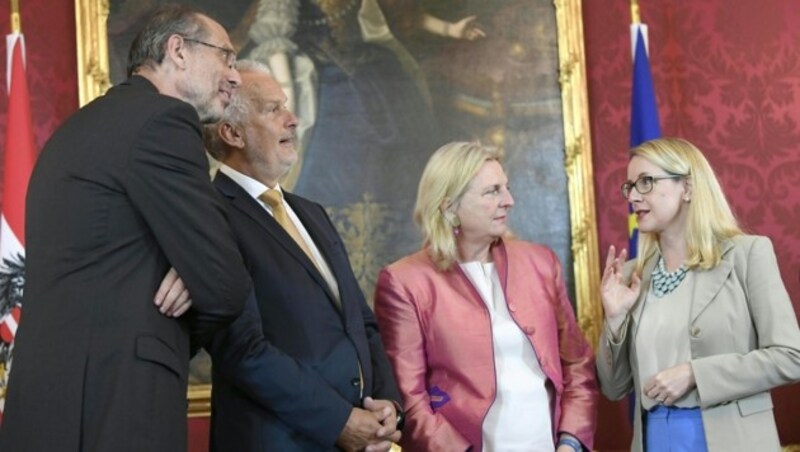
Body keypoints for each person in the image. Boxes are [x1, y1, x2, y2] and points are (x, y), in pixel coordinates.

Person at [0, 6, 251, 452]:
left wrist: (195, 271)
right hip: (118, 400)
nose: (235, 76)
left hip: (48, 404)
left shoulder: (81, 125)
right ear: (177, 50)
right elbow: (225, 282)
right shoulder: (163, 121)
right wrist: (189, 289)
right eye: (226, 58)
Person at [203, 59, 402, 452]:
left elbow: (361, 323)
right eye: (273, 109)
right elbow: (242, 349)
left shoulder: (311, 212)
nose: (293, 120)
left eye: (287, 106)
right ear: (232, 133)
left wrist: (389, 405)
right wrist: (340, 421)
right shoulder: (210, 215)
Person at [373, 141, 598, 451]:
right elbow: (410, 400)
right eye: (492, 191)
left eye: (506, 188)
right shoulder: (405, 282)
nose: (509, 201)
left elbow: (577, 365)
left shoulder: (540, 263)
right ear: (449, 206)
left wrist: (570, 443)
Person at [596, 137, 800, 451]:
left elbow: (791, 357)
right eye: (630, 186)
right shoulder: (630, 275)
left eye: (646, 182)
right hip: (654, 439)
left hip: (732, 439)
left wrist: (696, 374)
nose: (633, 196)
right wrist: (614, 319)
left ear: (688, 188)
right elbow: (613, 388)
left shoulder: (747, 255)